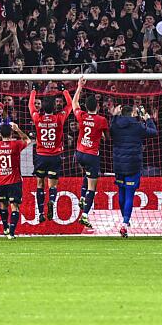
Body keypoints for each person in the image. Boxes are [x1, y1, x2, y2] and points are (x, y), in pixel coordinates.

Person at [110, 103, 157, 237]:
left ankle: (124, 220)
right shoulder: (137, 126)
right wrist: (148, 119)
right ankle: (125, 222)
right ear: (131, 114)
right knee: (130, 194)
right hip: (133, 164)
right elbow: (154, 133)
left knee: (121, 191)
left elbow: (110, 130)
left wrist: (114, 116)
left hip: (119, 164)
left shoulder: (115, 125)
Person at [28, 84, 72, 222]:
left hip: (41, 156)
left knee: (40, 184)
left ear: (42, 109)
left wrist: (33, 90)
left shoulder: (37, 118)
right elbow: (70, 105)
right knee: (52, 185)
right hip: (55, 156)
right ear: (54, 108)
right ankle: (52, 200)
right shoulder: (59, 118)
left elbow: (30, 105)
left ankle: (41, 213)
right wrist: (64, 90)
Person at [71, 77, 109, 229]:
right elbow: (107, 138)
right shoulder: (101, 120)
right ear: (97, 106)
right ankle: (85, 215)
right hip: (92, 154)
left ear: (85, 106)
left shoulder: (82, 116)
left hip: (79, 153)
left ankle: (81, 197)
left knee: (86, 175)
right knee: (92, 187)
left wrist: (79, 87)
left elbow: (74, 103)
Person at [0, 122, 31, 240]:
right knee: (14, 206)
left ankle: (5, 227)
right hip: (14, 181)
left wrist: (0, 136)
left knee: (3, 204)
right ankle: (11, 233)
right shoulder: (16, 144)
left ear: (1, 134)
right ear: (11, 133)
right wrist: (18, 129)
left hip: (1, 181)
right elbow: (28, 140)